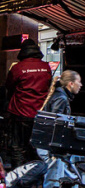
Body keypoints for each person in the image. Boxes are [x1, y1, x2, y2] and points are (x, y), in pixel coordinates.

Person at [5, 39, 52, 169]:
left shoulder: (17, 68)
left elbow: (9, 86)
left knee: (18, 147)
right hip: (40, 115)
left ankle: (18, 177)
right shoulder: (46, 67)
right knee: (37, 147)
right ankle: (35, 175)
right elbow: (48, 87)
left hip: (19, 113)